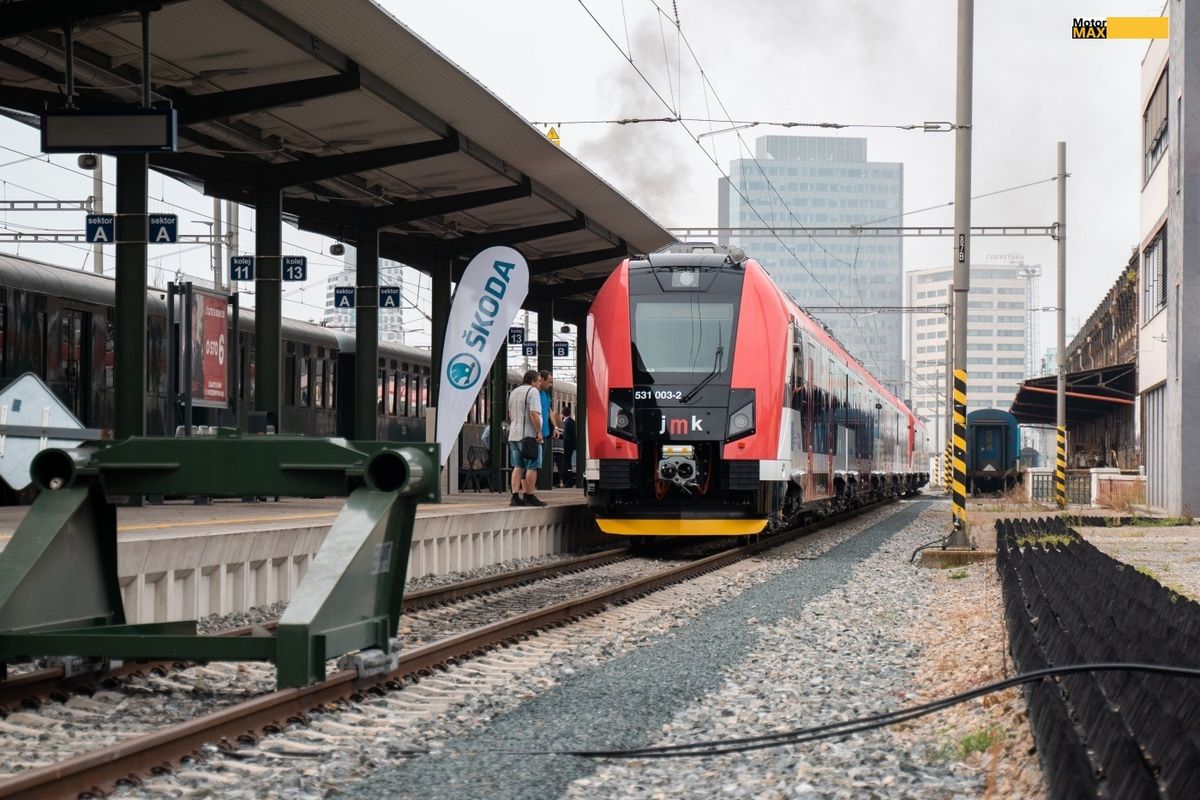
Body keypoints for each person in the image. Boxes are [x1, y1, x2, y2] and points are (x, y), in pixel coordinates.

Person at [506, 370, 546, 507]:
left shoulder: (514, 392)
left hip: (513, 435)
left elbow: (510, 415)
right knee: (532, 466)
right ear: (533, 381)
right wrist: (538, 432)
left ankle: (515, 497)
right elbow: (534, 414)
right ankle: (529, 496)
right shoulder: (533, 392)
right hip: (528, 436)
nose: (539, 383)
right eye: (538, 381)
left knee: (518, 466)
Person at [561, 405, 577, 487]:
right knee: (568, 463)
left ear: (562, 414)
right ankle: (569, 480)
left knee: (566, 463)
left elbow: (566, 436)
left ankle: (568, 481)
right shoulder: (572, 421)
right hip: (572, 446)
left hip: (567, 446)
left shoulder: (566, 423)